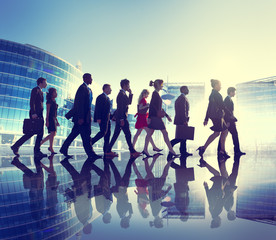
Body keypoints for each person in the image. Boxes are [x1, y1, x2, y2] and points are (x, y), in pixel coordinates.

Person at [60, 73, 100, 159]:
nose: (92, 80)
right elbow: (80, 104)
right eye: (90, 78)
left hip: (86, 117)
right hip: (82, 118)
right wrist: (81, 117)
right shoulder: (82, 88)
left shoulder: (89, 89)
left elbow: (88, 105)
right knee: (86, 136)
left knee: (74, 134)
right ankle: (91, 154)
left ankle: (64, 148)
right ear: (85, 78)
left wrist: (89, 116)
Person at [11, 77, 47, 158]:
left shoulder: (41, 91)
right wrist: (33, 113)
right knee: (34, 132)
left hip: (39, 114)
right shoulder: (35, 89)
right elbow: (32, 101)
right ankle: (35, 151)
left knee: (38, 133)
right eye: (45, 82)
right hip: (35, 114)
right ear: (41, 83)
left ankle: (17, 146)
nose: (46, 84)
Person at [142, 79, 178, 158]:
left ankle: (145, 149)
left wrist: (167, 115)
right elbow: (152, 106)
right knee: (164, 133)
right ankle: (171, 151)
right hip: (155, 118)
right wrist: (150, 117)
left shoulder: (156, 94)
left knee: (150, 133)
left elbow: (159, 107)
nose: (162, 86)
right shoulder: (155, 94)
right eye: (161, 85)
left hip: (155, 117)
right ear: (158, 85)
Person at [197, 79, 229, 160]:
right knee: (219, 133)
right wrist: (230, 113)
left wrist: (206, 118)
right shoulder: (217, 95)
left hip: (215, 116)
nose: (220, 87)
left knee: (221, 132)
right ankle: (220, 150)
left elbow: (209, 107)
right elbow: (222, 106)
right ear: (215, 85)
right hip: (217, 116)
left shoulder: (212, 94)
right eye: (219, 85)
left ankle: (206, 148)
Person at [107, 79, 140, 157]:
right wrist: (121, 119)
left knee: (116, 134)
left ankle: (108, 150)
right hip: (122, 118)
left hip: (120, 117)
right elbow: (121, 107)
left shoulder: (123, 94)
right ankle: (132, 151)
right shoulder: (121, 94)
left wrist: (131, 93)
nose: (129, 86)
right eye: (128, 85)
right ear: (125, 85)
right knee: (128, 134)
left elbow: (129, 102)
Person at [218, 87, 246, 155]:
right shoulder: (227, 100)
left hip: (230, 121)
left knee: (225, 135)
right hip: (229, 121)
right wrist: (227, 121)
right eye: (234, 92)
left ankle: (220, 150)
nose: (234, 94)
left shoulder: (228, 99)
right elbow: (226, 112)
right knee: (232, 135)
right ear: (230, 92)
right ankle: (236, 151)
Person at [91, 84, 117, 156]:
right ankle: (91, 142)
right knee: (103, 132)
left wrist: (112, 117)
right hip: (102, 119)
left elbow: (107, 111)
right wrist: (98, 118)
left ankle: (106, 151)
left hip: (107, 120)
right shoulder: (100, 97)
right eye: (110, 88)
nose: (111, 90)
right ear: (105, 89)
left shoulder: (108, 98)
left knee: (107, 135)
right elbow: (98, 108)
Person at [170, 86, 192, 157]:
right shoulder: (182, 98)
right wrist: (184, 120)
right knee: (181, 137)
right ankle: (171, 143)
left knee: (184, 136)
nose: (188, 90)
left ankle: (183, 151)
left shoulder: (181, 98)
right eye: (187, 89)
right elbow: (183, 110)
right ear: (183, 90)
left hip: (180, 120)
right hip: (181, 120)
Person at [40, 88, 59, 154]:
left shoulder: (54, 101)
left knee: (53, 133)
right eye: (55, 92)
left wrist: (57, 121)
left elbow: (55, 113)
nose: (56, 94)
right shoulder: (49, 101)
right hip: (50, 118)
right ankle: (50, 147)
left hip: (54, 118)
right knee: (52, 133)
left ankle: (42, 143)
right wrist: (47, 120)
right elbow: (48, 112)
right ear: (51, 93)